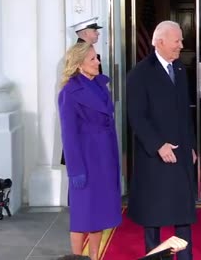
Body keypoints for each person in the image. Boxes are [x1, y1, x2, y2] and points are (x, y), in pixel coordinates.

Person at [126, 20, 197, 260]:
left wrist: (192, 146)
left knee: (183, 213)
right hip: (154, 157)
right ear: (160, 42)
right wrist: (158, 145)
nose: (181, 45)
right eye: (177, 41)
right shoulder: (140, 73)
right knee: (154, 216)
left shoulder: (179, 69)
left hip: (182, 153)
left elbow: (185, 113)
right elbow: (137, 116)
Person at [58, 42, 122, 260]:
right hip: (86, 158)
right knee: (83, 213)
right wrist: (75, 169)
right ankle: (77, 257)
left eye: (97, 58)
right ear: (78, 65)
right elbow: (68, 134)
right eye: (92, 59)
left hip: (105, 156)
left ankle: (94, 256)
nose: (98, 62)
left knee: (100, 211)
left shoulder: (100, 85)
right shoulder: (70, 92)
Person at [61, 17, 104, 165]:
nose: (98, 33)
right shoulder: (78, 55)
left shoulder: (92, 53)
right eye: (94, 30)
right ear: (85, 33)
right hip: (85, 139)